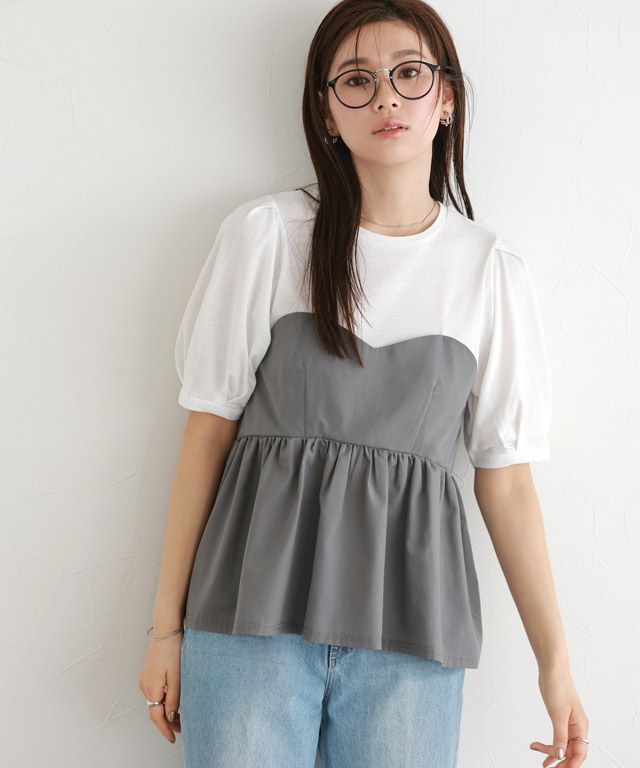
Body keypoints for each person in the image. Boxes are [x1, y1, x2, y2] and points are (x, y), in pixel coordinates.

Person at [138, 1, 591, 766]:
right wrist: (164, 628)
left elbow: (507, 479)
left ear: (446, 99)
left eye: (409, 73)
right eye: (356, 80)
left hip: (410, 636)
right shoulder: (268, 235)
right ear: (326, 112)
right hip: (250, 617)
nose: (385, 97)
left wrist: (556, 665)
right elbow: (208, 431)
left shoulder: (489, 271)